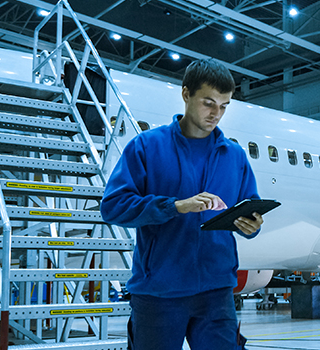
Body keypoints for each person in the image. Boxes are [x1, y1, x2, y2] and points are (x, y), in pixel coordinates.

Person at [101, 59, 263, 350]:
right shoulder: (147, 147)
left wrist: (250, 227)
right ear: (186, 94)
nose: (216, 114)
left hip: (217, 293)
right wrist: (175, 206)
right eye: (209, 103)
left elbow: (248, 209)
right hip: (159, 292)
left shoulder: (235, 157)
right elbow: (113, 206)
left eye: (224, 106)